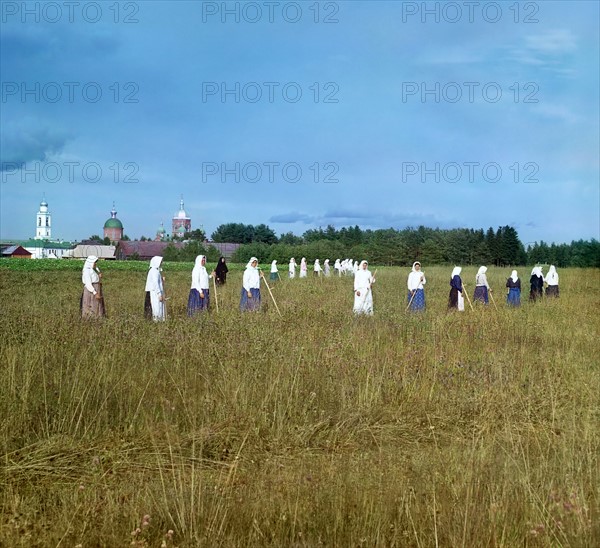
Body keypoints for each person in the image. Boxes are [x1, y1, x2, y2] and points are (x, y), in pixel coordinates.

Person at [145, 256, 166, 321]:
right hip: (154, 292)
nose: (161, 263)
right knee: (156, 307)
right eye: (160, 262)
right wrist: (159, 294)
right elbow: (155, 283)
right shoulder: (154, 271)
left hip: (154, 291)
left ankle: (156, 319)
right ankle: (157, 320)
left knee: (155, 307)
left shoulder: (155, 271)